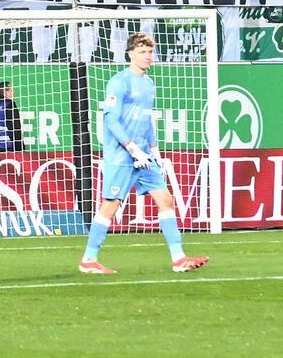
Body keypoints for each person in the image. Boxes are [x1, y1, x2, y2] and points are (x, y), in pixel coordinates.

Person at [80, 32, 208, 275]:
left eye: (150, 52)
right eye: (143, 52)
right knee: (110, 205)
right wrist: (131, 147)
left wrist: (153, 149)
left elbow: (146, 120)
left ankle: (179, 258)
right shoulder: (119, 82)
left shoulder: (149, 84)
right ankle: (88, 259)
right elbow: (111, 120)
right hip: (121, 155)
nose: (148, 56)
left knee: (166, 200)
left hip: (144, 158)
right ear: (130, 54)